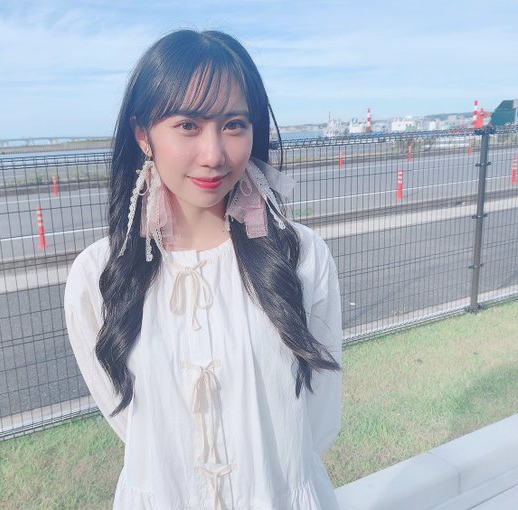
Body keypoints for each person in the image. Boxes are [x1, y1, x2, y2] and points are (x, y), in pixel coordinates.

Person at [64, 29, 342, 510]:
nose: (214, 154)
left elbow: (316, 418)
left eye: (234, 124)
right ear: (142, 135)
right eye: (188, 125)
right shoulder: (98, 276)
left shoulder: (302, 256)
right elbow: (130, 421)